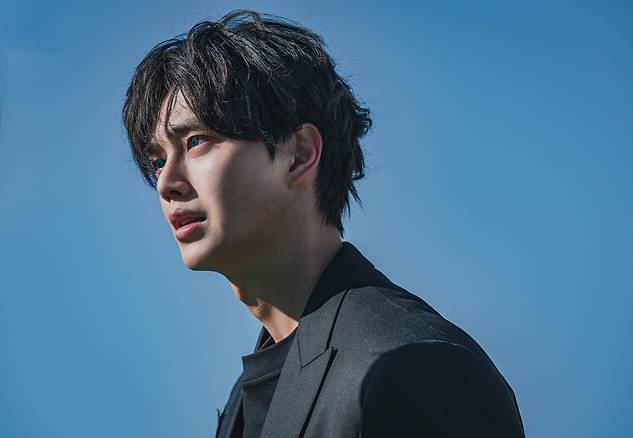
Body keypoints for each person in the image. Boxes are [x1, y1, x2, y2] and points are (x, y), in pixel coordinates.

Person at [122, 9, 525, 438]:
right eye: (158, 160)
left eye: (195, 141)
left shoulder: (413, 367)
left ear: (299, 154)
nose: (166, 182)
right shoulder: (246, 395)